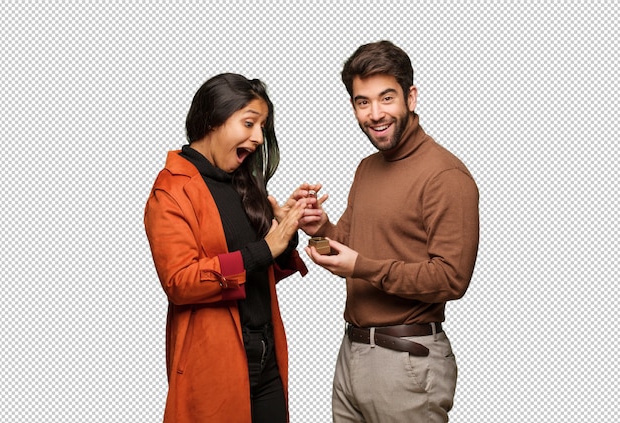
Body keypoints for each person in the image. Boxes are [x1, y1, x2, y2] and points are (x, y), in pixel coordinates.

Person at [300, 41, 480, 422]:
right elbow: (347, 245)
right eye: (362, 102)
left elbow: (452, 278)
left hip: (406, 360)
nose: (375, 113)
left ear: (410, 97)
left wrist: (362, 266)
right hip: (352, 354)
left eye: (386, 98)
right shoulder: (366, 168)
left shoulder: (445, 175)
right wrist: (319, 227)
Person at [144, 73, 317, 423]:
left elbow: (256, 272)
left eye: (262, 126)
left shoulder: (242, 182)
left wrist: (284, 230)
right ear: (213, 119)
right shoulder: (171, 190)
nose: (257, 137)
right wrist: (264, 249)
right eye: (249, 123)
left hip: (267, 355)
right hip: (215, 362)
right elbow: (179, 282)